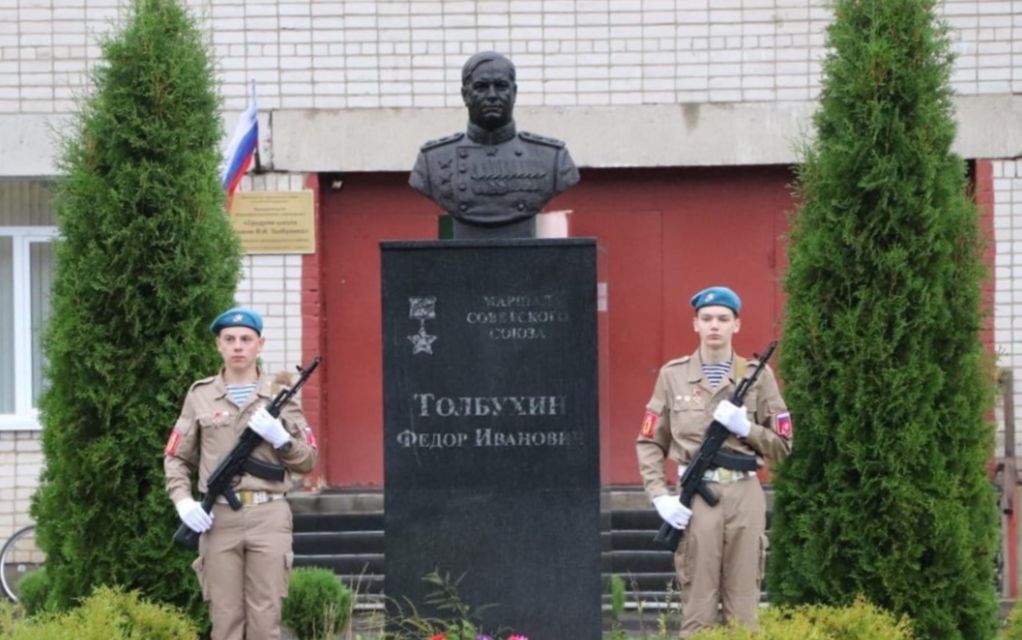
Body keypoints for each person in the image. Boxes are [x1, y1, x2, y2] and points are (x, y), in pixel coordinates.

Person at [635, 286, 793, 638]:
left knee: (743, 611)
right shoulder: (672, 375)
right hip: (697, 500)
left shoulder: (758, 376)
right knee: (699, 610)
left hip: (744, 494)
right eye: (707, 319)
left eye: (723, 318)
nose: (714, 326)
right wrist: (659, 495)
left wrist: (746, 428)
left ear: (736, 325)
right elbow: (649, 441)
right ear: (695, 324)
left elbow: (783, 445)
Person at [164, 307, 318, 640]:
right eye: (229, 339)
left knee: (265, 621)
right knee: (225, 621)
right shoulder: (200, 394)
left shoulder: (280, 397)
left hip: (269, 515)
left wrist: (282, 439)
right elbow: (176, 457)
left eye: (246, 339)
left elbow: (307, 460)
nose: (238, 346)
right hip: (217, 518)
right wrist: (183, 502)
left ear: (259, 344)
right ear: (218, 345)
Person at [409, 51, 580, 238]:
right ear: (465, 95)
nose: (492, 95)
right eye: (481, 87)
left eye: (500, 86)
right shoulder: (432, 160)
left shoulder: (553, 158)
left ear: (514, 93)